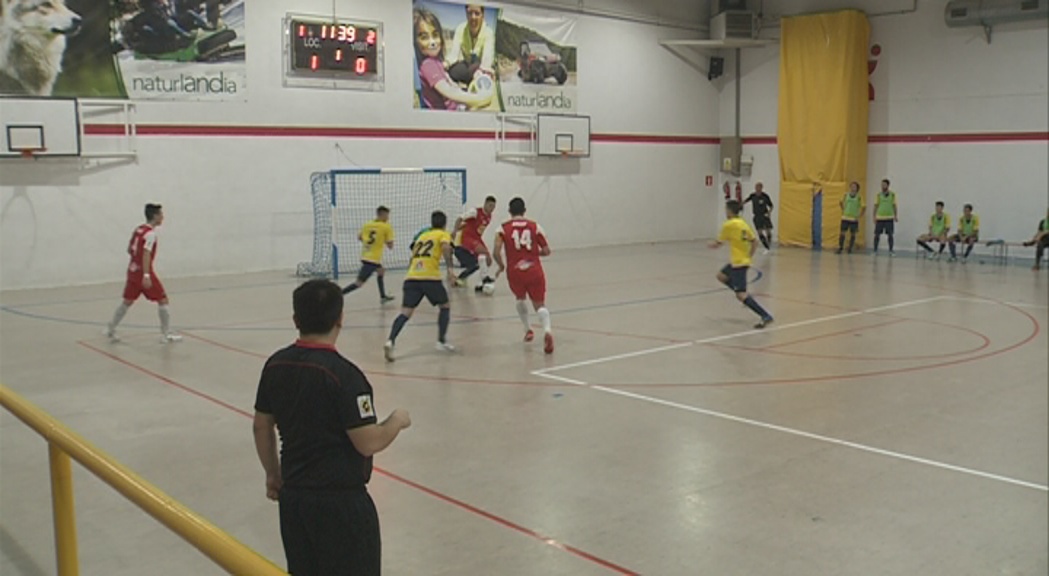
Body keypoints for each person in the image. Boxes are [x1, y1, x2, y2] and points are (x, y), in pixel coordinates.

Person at [253, 279, 411, 576]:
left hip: (295, 500)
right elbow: (367, 442)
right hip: (341, 505)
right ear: (340, 318)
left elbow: (262, 426)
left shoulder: (275, 365)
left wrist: (273, 474)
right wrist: (396, 420)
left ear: (296, 320)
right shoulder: (346, 376)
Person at [384, 211, 456, 361]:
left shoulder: (422, 236)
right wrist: (450, 270)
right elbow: (445, 248)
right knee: (445, 306)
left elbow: (412, 258)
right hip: (430, 277)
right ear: (444, 224)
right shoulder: (443, 234)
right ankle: (441, 341)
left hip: (411, 277)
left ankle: (390, 340)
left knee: (405, 313)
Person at [105, 204, 182, 343]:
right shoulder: (150, 234)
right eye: (161, 214)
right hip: (144, 273)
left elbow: (130, 249)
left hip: (132, 271)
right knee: (163, 300)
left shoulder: (139, 229)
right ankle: (165, 335)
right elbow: (146, 254)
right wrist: (146, 275)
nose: (163, 217)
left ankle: (111, 327)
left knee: (127, 302)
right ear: (155, 216)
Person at [493, 197, 554, 353]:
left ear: (509, 211)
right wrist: (534, 254)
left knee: (520, 299)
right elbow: (547, 251)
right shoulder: (535, 226)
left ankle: (528, 329)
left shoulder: (502, 228)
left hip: (515, 271)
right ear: (524, 211)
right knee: (539, 305)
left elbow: (496, 251)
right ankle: (547, 330)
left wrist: (501, 265)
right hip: (534, 269)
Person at [708, 200, 774, 329]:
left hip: (738, 264)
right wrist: (749, 255)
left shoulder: (729, 225)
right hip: (740, 261)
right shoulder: (744, 224)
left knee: (741, 295)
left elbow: (718, 243)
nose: (725, 212)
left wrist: (711, 244)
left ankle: (765, 315)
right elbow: (755, 242)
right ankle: (743, 294)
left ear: (730, 211)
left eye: (726, 210)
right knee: (721, 276)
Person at [413, 9, 493, 111]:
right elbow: (448, 92)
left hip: (454, 106)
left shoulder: (435, 61)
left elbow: (449, 82)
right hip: (449, 112)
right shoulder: (428, 65)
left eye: (435, 35)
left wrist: (464, 91)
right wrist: (477, 98)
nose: (432, 42)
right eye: (424, 37)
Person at [342, 206, 395, 303]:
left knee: (381, 271)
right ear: (382, 215)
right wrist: (383, 241)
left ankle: (383, 296)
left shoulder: (367, 224)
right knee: (359, 283)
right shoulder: (386, 226)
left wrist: (370, 244)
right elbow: (390, 245)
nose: (388, 218)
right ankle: (339, 294)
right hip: (373, 259)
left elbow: (360, 237)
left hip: (366, 255)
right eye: (387, 215)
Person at [453, 196, 497, 292]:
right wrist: (454, 231)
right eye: (490, 206)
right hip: (468, 238)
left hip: (477, 238)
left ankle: (480, 283)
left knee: (488, 261)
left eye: (493, 207)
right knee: (484, 254)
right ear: (485, 204)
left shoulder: (489, 216)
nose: (491, 209)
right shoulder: (475, 212)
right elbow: (460, 218)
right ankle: (484, 279)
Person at [444, 4, 495, 85]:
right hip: (467, 65)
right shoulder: (460, 29)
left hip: (480, 68)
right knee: (451, 72)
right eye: (470, 13)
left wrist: (481, 71)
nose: (473, 17)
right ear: (466, 14)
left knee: (481, 77)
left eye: (477, 13)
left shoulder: (488, 32)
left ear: (483, 15)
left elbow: (487, 59)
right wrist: (446, 64)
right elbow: (453, 55)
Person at [742, 182, 774, 253]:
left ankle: (769, 244)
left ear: (761, 188)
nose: (757, 189)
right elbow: (746, 200)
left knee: (768, 231)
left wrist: (769, 213)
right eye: (756, 187)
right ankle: (766, 247)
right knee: (759, 232)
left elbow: (771, 206)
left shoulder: (765, 196)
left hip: (764, 215)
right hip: (757, 216)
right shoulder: (753, 195)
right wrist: (740, 204)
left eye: (759, 187)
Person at [836, 181, 866, 254]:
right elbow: (840, 202)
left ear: (857, 188)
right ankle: (840, 247)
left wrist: (859, 215)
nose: (853, 188)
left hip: (854, 218)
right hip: (845, 217)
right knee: (842, 233)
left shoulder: (859, 197)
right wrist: (843, 209)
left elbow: (863, 206)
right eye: (852, 186)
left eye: (854, 187)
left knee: (853, 234)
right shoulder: (846, 195)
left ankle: (850, 248)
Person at [872, 178, 898, 256]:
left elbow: (894, 206)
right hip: (880, 217)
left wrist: (896, 215)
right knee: (877, 234)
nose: (882, 186)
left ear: (888, 185)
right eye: (882, 184)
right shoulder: (878, 195)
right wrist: (874, 216)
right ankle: (875, 250)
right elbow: (876, 206)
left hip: (889, 217)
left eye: (884, 184)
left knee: (890, 234)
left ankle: (891, 250)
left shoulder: (892, 195)